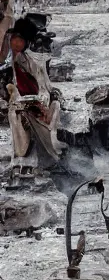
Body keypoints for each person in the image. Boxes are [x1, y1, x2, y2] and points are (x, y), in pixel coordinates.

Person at [6, 16, 63, 171]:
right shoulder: (7, 61)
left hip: (34, 105)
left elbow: (43, 86)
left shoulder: (30, 61)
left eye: (21, 41)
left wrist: (43, 100)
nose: (17, 44)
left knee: (54, 107)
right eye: (15, 40)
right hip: (17, 108)